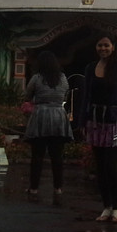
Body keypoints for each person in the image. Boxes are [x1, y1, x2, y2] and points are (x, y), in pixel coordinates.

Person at [74, 34, 117, 223]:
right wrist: (81, 122)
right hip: (94, 121)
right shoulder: (91, 68)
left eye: (106, 45)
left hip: (115, 121)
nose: (103, 48)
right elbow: (86, 97)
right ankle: (106, 206)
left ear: (113, 47)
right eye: (100, 45)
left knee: (111, 165)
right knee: (99, 167)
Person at [23, 50, 73, 196]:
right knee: (57, 156)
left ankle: (34, 187)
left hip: (40, 116)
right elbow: (66, 94)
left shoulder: (37, 78)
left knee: (37, 155)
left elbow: (27, 95)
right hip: (58, 116)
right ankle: (58, 187)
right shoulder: (63, 78)